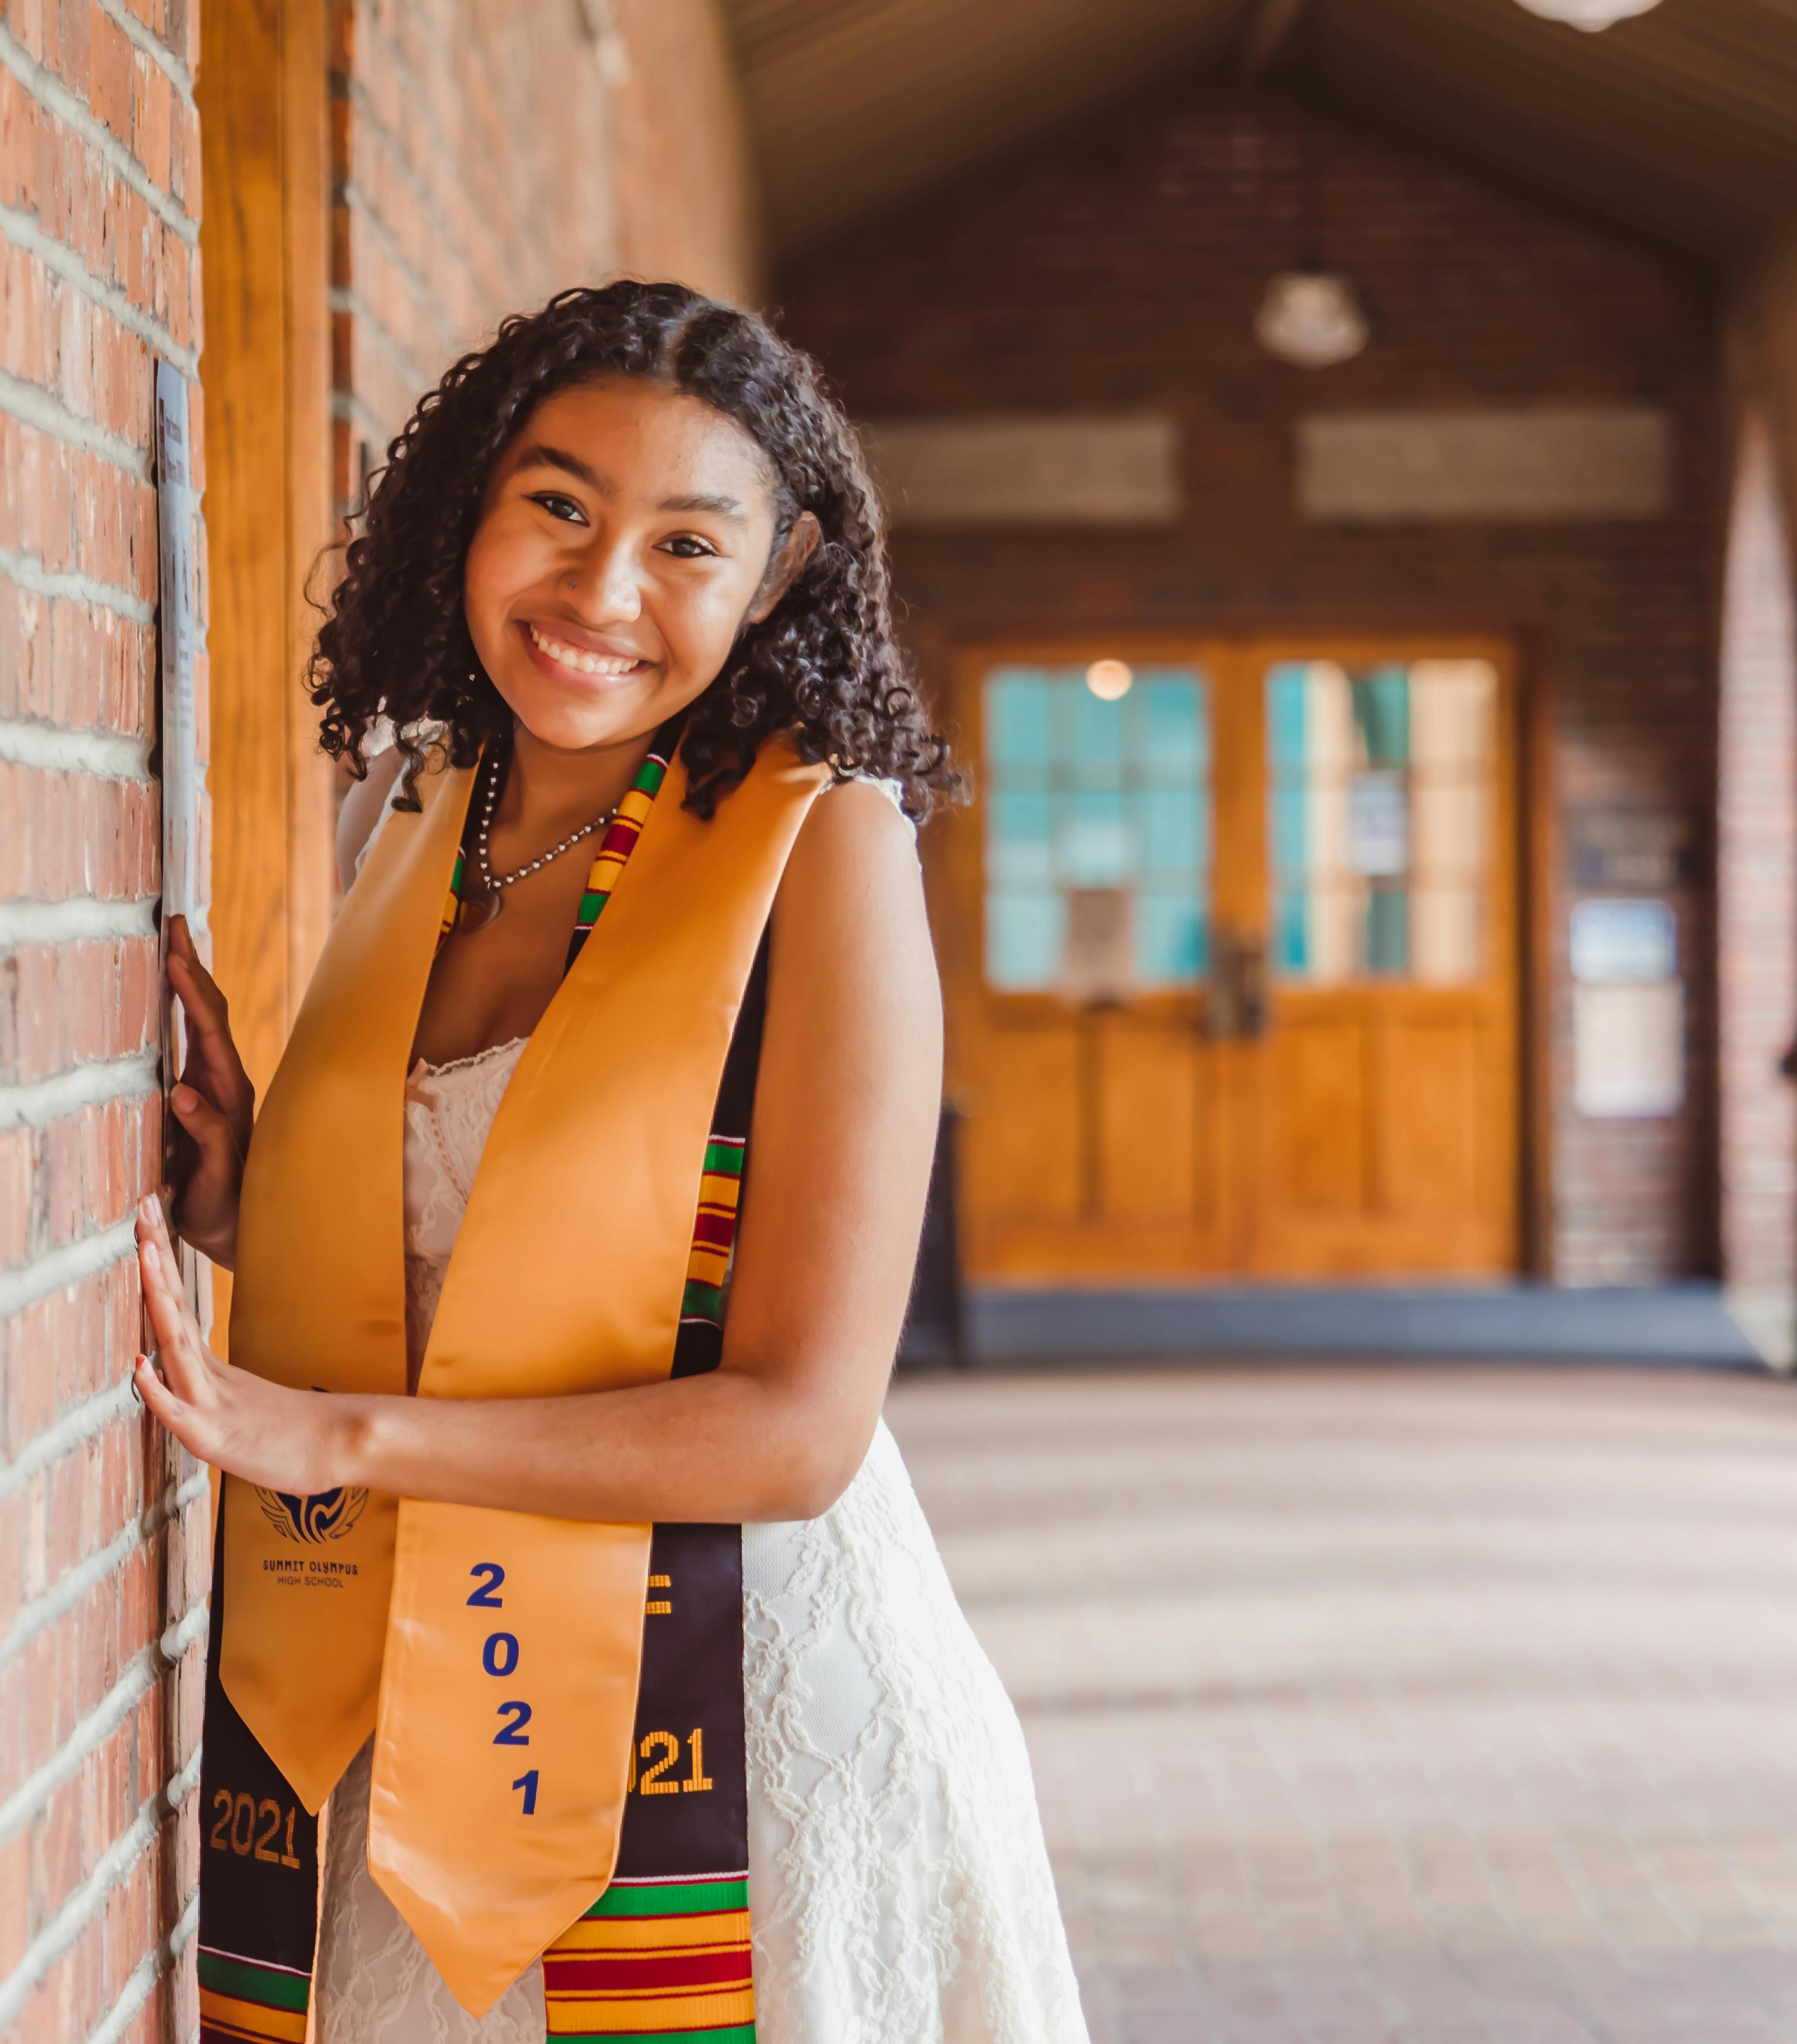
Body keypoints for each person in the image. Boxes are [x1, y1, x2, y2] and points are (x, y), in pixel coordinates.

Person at [133, 283, 1088, 2043]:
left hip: (733, 1719)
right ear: (473, 503)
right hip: (423, 1703)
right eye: (559, 509)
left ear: (778, 575)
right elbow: (460, 1257)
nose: (600, 596)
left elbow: (801, 1427)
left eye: (685, 543)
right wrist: (247, 1195)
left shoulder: (817, 842)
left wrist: (337, 1440)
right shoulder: (414, 807)